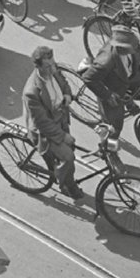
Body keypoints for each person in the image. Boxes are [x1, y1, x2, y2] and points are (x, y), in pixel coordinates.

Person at [23, 46, 83, 200]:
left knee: (70, 148)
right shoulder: (32, 91)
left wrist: (67, 95)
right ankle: (66, 184)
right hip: (45, 130)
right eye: (48, 66)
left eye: (53, 64)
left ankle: (61, 173)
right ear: (38, 66)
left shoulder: (53, 71)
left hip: (60, 118)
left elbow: (64, 84)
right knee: (68, 157)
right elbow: (43, 123)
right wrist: (63, 136)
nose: (53, 69)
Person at [81, 26, 140, 142]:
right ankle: (108, 149)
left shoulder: (130, 49)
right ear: (122, 48)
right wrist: (108, 95)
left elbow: (136, 59)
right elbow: (88, 78)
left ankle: (129, 103)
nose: (136, 49)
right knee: (115, 126)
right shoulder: (106, 62)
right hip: (112, 89)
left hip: (125, 80)